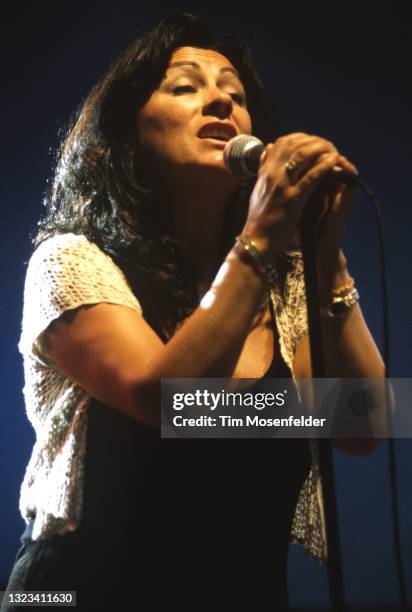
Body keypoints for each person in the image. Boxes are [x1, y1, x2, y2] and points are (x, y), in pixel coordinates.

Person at [2, 13, 385, 612]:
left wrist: (327, 255)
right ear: (126, 134)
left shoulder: (283, 290)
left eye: (235, 95)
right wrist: (259, 240)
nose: (219, 103)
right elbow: (169, 404)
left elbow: (363, 425)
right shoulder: (69, 262)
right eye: (185, 86)